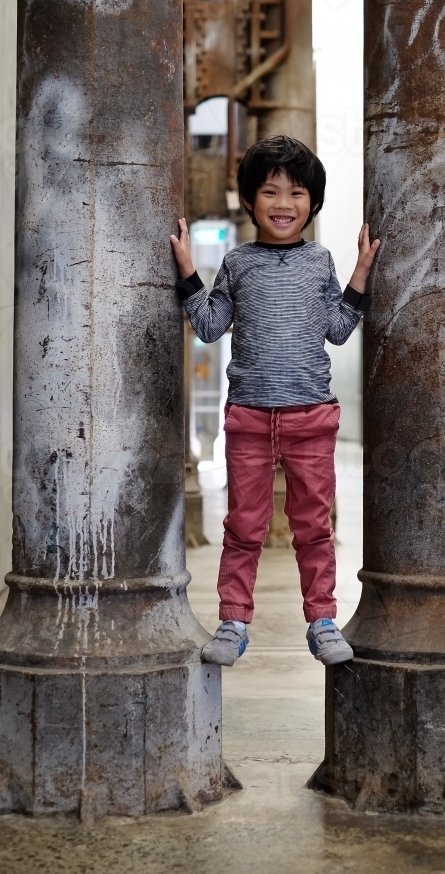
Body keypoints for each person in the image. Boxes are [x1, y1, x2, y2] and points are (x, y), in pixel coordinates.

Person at [171, 135, 379, 667]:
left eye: (297, 193)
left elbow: (336, 328)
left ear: (313, 204)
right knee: (244, 527)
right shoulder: (239, 264)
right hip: (248, 420)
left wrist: (359, 273)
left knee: (313, 527)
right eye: (270, 192)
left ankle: (323, 620)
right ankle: (233, 621)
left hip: (311, 416)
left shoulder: (320, 261)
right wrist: (189, 271)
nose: (283, 204)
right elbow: (211, 325)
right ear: (248, 200)